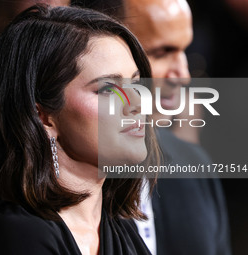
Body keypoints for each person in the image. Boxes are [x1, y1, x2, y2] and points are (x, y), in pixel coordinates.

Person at [0, 5, 161, 255]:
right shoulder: (22, 237)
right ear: (43, 116)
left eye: (135, 83)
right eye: (108, 90)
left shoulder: (117, 225)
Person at [71, 0, 231, 255]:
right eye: (161, 53)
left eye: (184, 51)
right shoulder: (44, 196)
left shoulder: (194, 167)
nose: (183, 75)